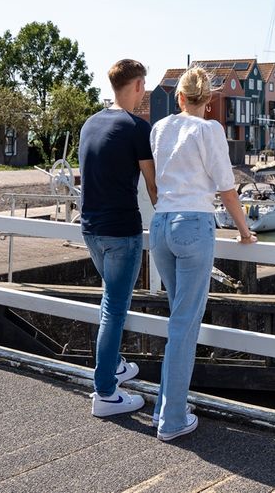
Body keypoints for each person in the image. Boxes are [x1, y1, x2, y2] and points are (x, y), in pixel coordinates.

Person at [149, 66, 257, 441]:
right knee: (184, 324)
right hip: (193, 224)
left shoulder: (159, 129)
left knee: (178, 319)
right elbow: (226, 188)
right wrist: (244, 231)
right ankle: (172, 420)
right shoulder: (208, 130)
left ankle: (165, 408)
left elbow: (156, 179)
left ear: (179, 97)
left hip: (160, 226)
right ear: (208, 100)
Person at [79, 59, 157, 418]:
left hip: (91, 229)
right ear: (138, 85)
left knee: (109, 301)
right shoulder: (137, 128)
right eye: (144, 85)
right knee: (114, 308)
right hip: (122, 232)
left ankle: (115, 364)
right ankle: (106, 393)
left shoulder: (90, 124)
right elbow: (154, 187)